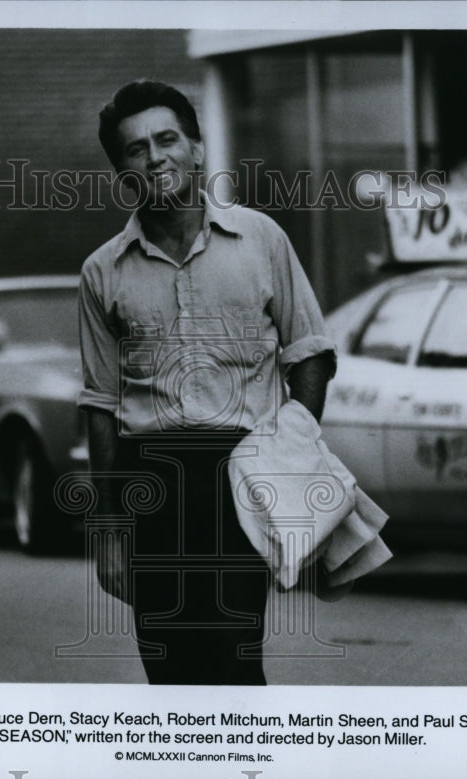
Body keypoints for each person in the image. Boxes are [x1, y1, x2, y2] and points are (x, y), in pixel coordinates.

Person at [77, 80, 336, 685]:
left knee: (234, 661)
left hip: (239, 477)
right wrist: (110, 535)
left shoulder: (262, 240)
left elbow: (311, 353)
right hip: (151, 485)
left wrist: (289, 459)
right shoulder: (101, 272)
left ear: (197, 148)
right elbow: (100, 404)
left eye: (167, 139)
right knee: (168, 671)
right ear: (122, 172)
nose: (156, 156)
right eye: (136, 149)